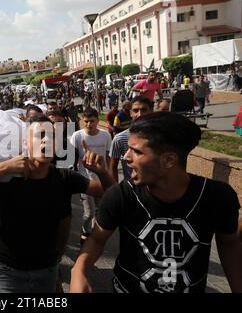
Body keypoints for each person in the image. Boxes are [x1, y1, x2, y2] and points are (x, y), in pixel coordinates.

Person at [70, 112, 242, 293]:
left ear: (169, 160)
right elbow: (97, 239)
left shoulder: (217, 197)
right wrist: (79, 270)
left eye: (136, 151)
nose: (126, 157)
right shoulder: (121, 195)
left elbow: (229, 244)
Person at [0, 116, 115, 293]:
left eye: (52, 136)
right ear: (25, 143)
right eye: (40, 135)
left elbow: (111, 193)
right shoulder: (11, 178)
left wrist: (102, 172)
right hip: (10, 272)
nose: (47, 140)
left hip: (48, 270)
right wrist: (4, 167)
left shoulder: (64, 177)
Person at [70, 109, 112, 246]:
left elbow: (108, 157)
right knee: (89, 213)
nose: (89, 124)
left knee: (101, 210)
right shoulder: (77, 136)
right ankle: (85, 230)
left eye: (92, 121)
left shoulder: (105, 135)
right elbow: (72, 157)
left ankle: (95, 235)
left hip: (102, 180)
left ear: (97, 121)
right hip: (85, 180)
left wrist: (109, 174)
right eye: (86, 121)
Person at [109, 96, 154, 183]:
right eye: (136, 110)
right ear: (130, 113)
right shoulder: (119, 139)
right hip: (131, 188)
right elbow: (113, 167)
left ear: (151, 111)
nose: (140, 114)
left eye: (144, 109)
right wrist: (115, 190)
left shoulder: (161, 135)